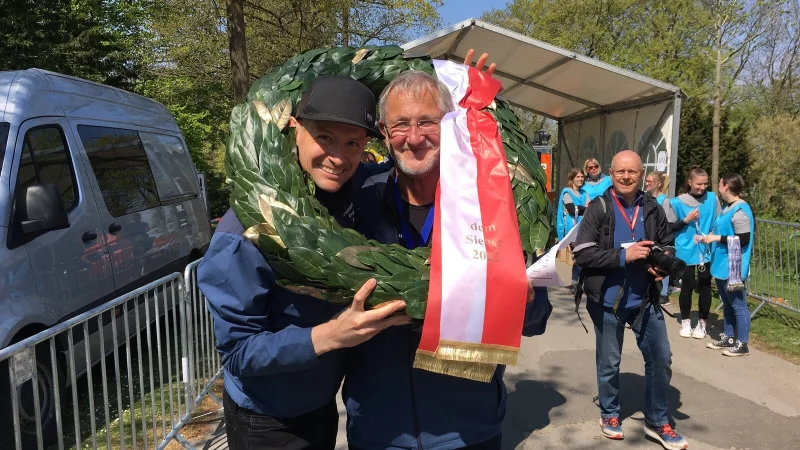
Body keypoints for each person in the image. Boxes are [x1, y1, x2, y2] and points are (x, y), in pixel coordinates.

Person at [347, 53, 552, 450]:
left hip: (468, 430)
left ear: (451, 125)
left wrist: (521, 298)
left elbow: (537, 320)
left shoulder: (490, 200)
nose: (414, 137)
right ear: (384, 132)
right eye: (401, 124)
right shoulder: (357, 198)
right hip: (379, 430)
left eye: (427, 121)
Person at [197, 76, 409, 450]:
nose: (338, 157)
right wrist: (332, 336)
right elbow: (238, 353)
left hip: (321, 404)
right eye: (324, 137)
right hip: (267, 421)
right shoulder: (245, 231)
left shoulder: (348, 189)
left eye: (353, 143)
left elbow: (410, 165)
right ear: (295, 128)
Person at [572, 150, 688, 450]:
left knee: (661, 358)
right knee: (610, 362)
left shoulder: (652, 207)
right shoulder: (599, 207)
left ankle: (657, 420)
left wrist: (662, 263)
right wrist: (624, 256)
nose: (626, 177)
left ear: (641, 174)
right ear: (611, 174)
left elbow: (667, 243)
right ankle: (610, 413)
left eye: (632, 172)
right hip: (607, 301)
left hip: (644, 299)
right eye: (621, 172)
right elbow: (581, 252)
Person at [696, 173, 754, 357]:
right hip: (721, 264)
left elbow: (743, 240)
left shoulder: (740, 211)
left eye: (720, 184)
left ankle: (742, 343)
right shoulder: (728, 208)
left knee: (738, 304)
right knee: (727, 303)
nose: (718, 187)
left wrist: (716, 238)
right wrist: (707, 238)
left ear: (726, 186)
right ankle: (729, 337)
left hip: (734, 266)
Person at [666, 166, 720, 339]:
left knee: (704, 286)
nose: (702, 187)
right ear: (690, 182)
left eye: (705, 184)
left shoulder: (712, 199)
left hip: (706, 249)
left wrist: (712, 233)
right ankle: (686, 322)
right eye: (699, 184)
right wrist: (686, 220)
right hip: (685, 249)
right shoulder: (676, 202)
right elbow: (669, 227)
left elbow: (718, 221)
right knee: (687, 286)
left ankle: (702, 323)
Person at [557, 168, 589, 293]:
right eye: (578, 177)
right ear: (572, 179)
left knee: (581, 256)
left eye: (582, 177)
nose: (580, 179)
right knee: (579, 255)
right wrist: (582, 208)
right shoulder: (567, 192)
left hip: (584, 228)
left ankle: (577, 283)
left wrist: (580, 208)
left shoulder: (584, 193)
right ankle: (575, 283)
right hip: (572, 230)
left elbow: (590, 208)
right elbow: (571, 209)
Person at [645, 171, 672, 306]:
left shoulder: (664, 200)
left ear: (659, 183)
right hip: (649, 237)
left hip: (659, 238)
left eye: (650, 181)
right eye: (646, 181)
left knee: (662, 263)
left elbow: (666, 222)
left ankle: (664, 293)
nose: (647, 184)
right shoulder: (646, 197)